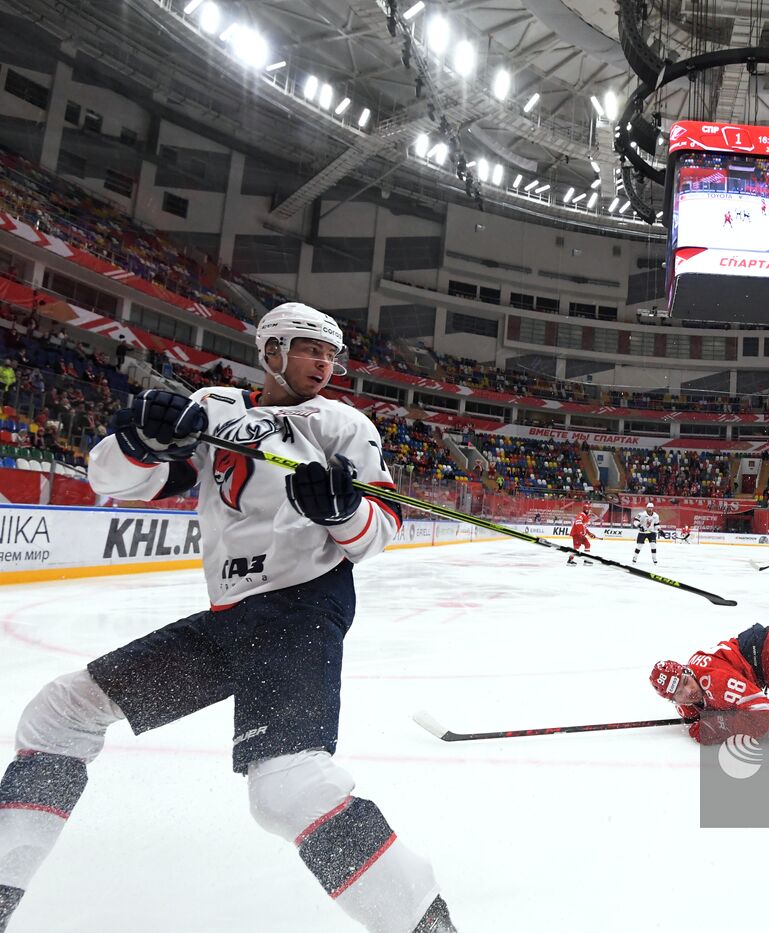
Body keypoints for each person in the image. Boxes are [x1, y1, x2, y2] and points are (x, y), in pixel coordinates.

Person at [0, 303, 457, 933]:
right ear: (270, 351)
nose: (324, 364)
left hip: (301, 606)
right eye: (308, 350)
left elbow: (378, 532)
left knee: (288, 788)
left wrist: (338, 511)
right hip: (229, 618)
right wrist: (137, 441)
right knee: (60, 714)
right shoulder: (214, 408)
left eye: (330, 354)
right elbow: (121, 480)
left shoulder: (343, 426)